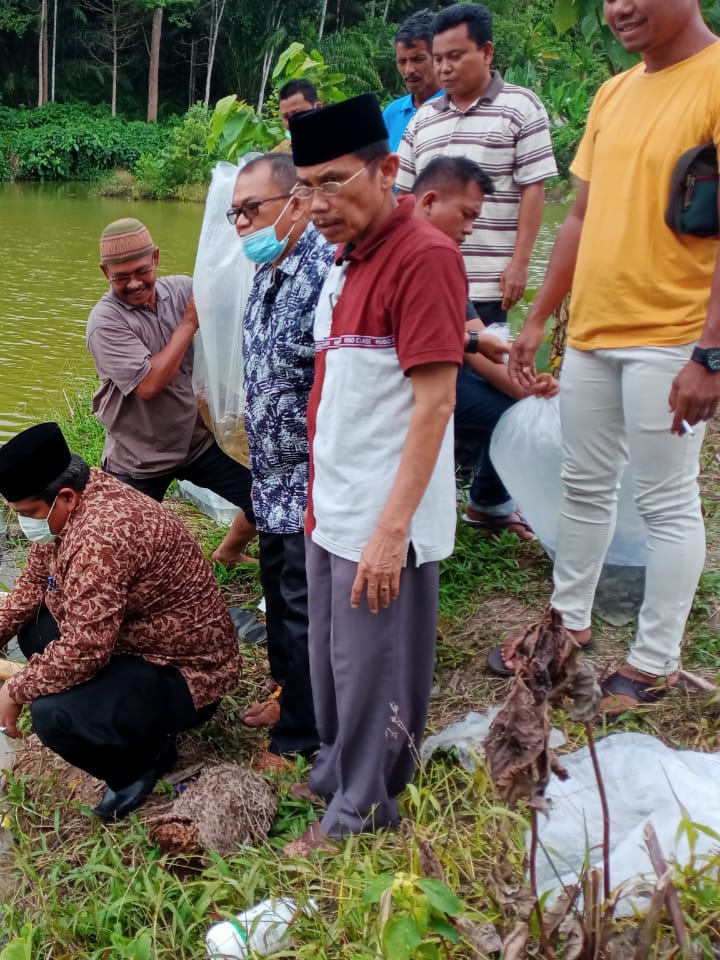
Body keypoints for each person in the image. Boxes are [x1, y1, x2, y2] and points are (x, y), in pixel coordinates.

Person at [492, 0, 720, 713]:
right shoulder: (613, 92)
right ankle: (569, 625)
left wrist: (710, 354)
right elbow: (581, 219)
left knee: (665, 498)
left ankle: (653, 663)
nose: (619, 6)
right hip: (595, 333)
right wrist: (538, 318)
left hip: (673, 333)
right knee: (585, 482)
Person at [285, 93, 466, 850]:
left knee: (373, 666)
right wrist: (319, 501)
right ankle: (338, 768)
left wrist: (392, 530)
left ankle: (364, 809)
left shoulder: (423, 257)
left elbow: (435, 403)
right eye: (305, 187)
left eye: (333, 181)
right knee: (333, 660)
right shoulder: (343, 259)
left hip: (384, 516)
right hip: (337, 504)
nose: (317, 204)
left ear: (387, 169)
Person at [0, 422, 241, 819]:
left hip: (187, 673)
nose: (25, 524)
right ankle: (121, 716)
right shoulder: (79, 497)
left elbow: (87, 648)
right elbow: (39, 575)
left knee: (52, 716)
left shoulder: (101, 537)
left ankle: (139, 767)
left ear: (66, 497)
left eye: (27, 514)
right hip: (136, 639)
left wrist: (17, 689)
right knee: (34, 630)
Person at [227, 152, 336, 759]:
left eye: (252, 209)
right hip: (271, 476)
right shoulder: (269, 273)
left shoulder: (324, 271)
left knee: (301, 608)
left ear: (296, 202)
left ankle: (301, 734)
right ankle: (287, 690)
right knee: (278, 594)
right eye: (234, 213)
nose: (243, 224)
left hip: (310, 477)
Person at [87, 217, 257, 564]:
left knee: (265, 497)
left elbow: (232, 304)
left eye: (141, 271)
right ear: (106, 274)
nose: (134, 283)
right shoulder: (105, 322)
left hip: (196, 441)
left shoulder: (180, 289)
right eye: (121, 277)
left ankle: (227, 553)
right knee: (121, 545)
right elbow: (149, 385)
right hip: (139, 456)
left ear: (156, 259)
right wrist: (189, 324)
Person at [411, 156, 558, 538]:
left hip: (441, 372)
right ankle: (484, 504)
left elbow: (476, 345)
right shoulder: (405, 253)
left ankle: (487, 505)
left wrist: (530, 393)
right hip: (404, 381)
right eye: (466, 215)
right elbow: (428, 342)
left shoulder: (444, 258)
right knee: (508, 417)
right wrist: (475, 343)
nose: (470, 229)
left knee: (519, 411)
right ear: (428, 202)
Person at [395, 2, 557, 328]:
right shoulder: (423, 118)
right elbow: (403, 198)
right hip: (427, 277)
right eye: (438, 59)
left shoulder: (521, 107)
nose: (444, 68)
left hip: (489, 283)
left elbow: (533, 190)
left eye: (455, 57)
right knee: (430, 371)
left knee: (481, 374)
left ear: (486, 52)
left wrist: (520, 264)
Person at [382, 9, 442, 152]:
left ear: (438, 57)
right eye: (402, 61)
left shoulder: (455, 109)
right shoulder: (393, 113)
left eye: (418, 59)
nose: (409, 70)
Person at [274, 79, 320, 153]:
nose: (291, 122)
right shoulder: (281, 152)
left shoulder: (341, 140)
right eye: (286, 117)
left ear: (317, 108)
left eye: (297, 114)